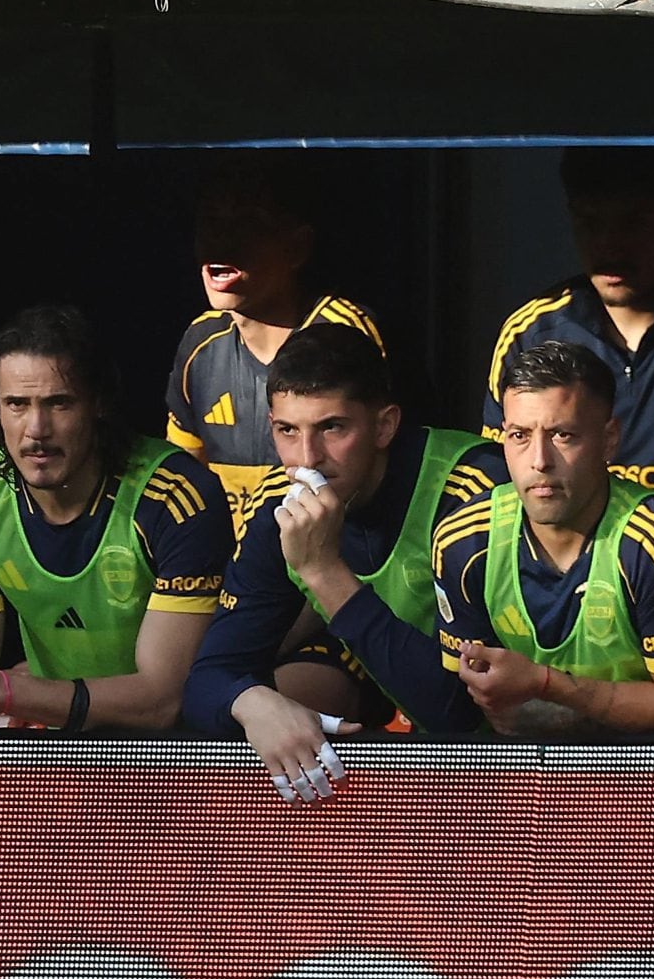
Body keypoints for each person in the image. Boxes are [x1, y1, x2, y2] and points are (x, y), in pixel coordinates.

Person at [183, 324, 503, 802]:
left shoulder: (476, 489)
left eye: (332, 428)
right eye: (287, 431)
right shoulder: (278, 501)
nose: (308, 459)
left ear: (384, 425)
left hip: (530, 751)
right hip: (389, 702)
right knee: (263, 723)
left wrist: (322, 572)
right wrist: (251, 703)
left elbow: (461, 718)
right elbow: (206, 681)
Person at [0, 303, 229, 730]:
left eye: (59, 403)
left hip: (185, 747)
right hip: (62, 732)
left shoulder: (174, 497)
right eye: (16, 404)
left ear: (99, 404)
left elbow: (162, 703)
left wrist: (8, 693)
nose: (36, 428)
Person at [439, 340, 654, 733]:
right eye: (519, 435)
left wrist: (546, 687)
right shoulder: (463, 540)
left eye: (563, 435)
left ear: (609, 439)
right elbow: (467, 707)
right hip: (524, 779)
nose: (539, 460)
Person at [486, 146, 654, 528]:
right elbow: (504, 485)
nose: (611, 245)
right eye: (591, 224)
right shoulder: (531, 332)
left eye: (634, 223)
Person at [165, 157, 384, 538]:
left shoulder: (345, 330)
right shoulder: (200, 341)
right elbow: (184, 482)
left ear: (297, 247)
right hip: (239, 574)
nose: (219, 241)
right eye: (209, 224)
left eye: (244, 225)